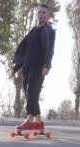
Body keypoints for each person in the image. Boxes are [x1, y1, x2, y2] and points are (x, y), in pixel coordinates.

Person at [12, 3, 56, 133]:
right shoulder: (32, 31)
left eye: (44, 12)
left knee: (32, 93)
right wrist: (16, 67)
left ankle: (29, 121)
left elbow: (50, 50)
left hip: (38, 68)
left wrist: (47, 66)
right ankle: (39, 122)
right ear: (36, 14)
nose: (41, 14)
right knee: (30, 94)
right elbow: (24, 49)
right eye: (39, 12)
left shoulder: (49, 31)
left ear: (47, 15)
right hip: (27, 67)